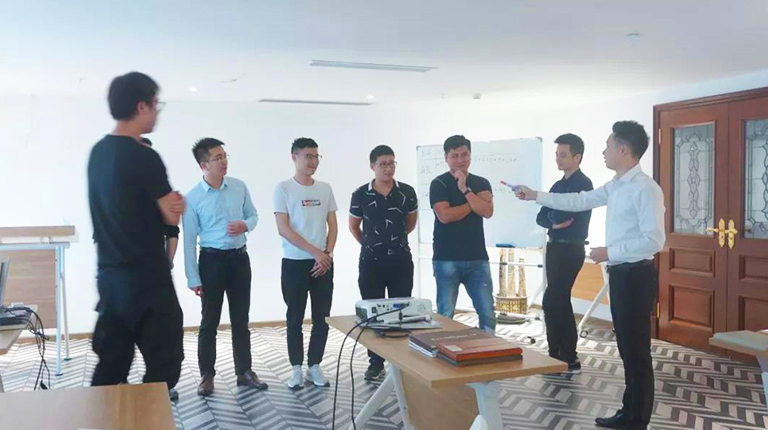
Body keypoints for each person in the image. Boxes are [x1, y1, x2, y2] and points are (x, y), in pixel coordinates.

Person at [516, 121, 665, 430]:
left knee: (636, 350)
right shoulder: (616, 184)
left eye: (608, 146)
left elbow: (654, 241)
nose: (604, 152)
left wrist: (611, 251)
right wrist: (535, 195)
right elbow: (580, 200)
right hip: (620, 273)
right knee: (627, 348)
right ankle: (629, 412)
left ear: (623, 149)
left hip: (636, 276)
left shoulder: (646, 188)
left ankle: (637, 420)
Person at [87, 72, 185, 401]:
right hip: (147, 281)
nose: (157, 112)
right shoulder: (144, 156)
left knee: (112, 362)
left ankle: (101, 419)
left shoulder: (98, 152)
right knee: (165, 364)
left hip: (110, 278)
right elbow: (171, 215)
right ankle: (146, 418)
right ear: (142, 106)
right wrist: (175, 204)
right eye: (156, 104)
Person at [183, 138, 267, 396]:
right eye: (217, 158)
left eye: (225, 156)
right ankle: (207, 375)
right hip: (211, 262)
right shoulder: (193, 198)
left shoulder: (239, 187)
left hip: (239, 259)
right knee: (209, 321)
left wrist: (245, 225)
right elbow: (189, 241)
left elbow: (253, 215)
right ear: (204, 165)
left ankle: (244, 372)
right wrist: (193, 277)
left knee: (241, 319)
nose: (224, 161)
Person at [273, 137, 338, 390]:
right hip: (295, 263)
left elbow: (333, 225)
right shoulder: (283, 189)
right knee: (294, 318)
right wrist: (316, 253)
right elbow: (284, 229)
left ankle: (314, 365)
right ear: (294, 157)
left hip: (324, 264)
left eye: (316, 156)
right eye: (308, 156)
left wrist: (327, 253)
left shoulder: (325, 189)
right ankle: (295, 368)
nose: (313, 161)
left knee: (322, 317)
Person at [349, 145, 418, 380]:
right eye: (383, 164)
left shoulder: (406, 192)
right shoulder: (360, 194)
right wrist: (370, 244)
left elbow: (410, 223)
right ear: (373, 166)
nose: (388, 168)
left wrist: (393, 242)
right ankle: (375, 362)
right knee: (373, 313)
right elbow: (354, 226)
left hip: (400, 260)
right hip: (371, 262)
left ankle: (400, 363)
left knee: (401, 312)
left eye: (391, 163)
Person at [536, 133, 593, 373]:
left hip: (571, 248)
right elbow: (541, 217)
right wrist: (554, 221)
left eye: (563, 155)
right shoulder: (557, 186)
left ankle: (569, 356)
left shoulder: (584, 184)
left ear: (577, 157)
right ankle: (556, 353)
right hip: (554, 246)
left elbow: (565, 214)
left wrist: (554, 217)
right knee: (557, 300)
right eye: (557, 155)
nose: (558, 159)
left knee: (553, 299)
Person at [430, 135, 496, 333]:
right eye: (455, 155)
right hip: (446, 258)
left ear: (470, 155)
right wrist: (473, 202)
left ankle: (488, 347)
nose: (460, 160)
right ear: (446, 158)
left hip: (477, 257)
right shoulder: (439, 183)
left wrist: (465, 190)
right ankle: (442, 349)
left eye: (464, 154)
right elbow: (445, 216)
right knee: (446, 313)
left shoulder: (481, 182)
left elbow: (487, 211)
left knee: (487, 311)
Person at [141, 137, 180, 268]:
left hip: (154, 262)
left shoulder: (161, 192)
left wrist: (169, 261)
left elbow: (172, 231)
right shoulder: (117, 190)